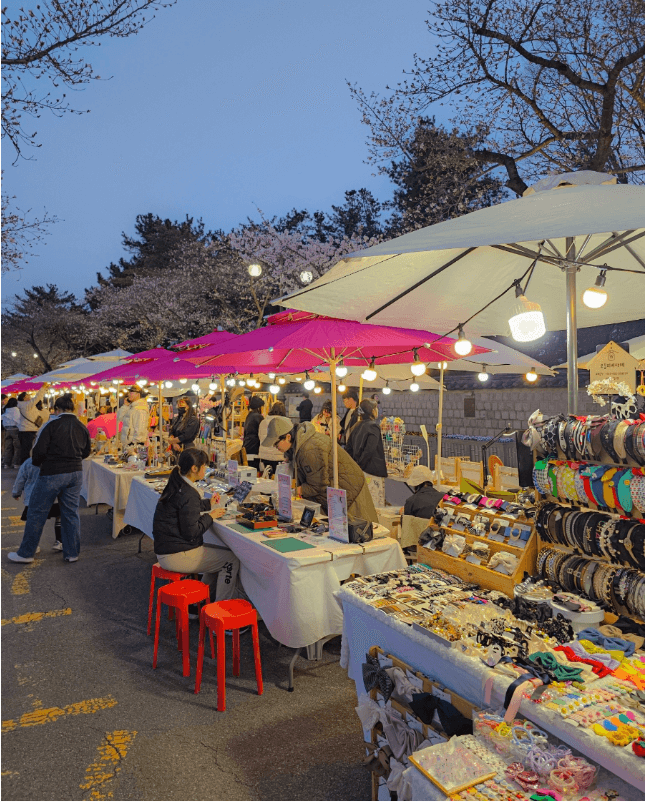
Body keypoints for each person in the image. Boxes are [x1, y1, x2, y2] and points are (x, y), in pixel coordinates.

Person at [8, 393, 91, 564]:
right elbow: (86, 451)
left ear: (56, 409)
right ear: (72, 408)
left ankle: (26, 553)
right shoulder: (81, 426)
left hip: (52, 472)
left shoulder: (50, 425)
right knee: (70, 513)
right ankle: (72, 553)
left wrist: (42, 463)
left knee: (36, 512)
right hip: (75, 473)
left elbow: (37, 453)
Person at [152, 448, 240, 603]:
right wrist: (210, 516)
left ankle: (197, 604)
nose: (206, 469)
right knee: (230, 559)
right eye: (204, 466)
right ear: (194, 468)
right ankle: (222, 608)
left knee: (215, 558)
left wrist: (208, 504)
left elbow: (186, 509)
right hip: (176, 555)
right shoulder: (188, 493)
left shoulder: (177, 484)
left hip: (166, 550)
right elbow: (192, 533)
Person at [261, 416, 378, 523]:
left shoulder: (309, 449)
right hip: (339, 495)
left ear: (288, 437)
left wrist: (295, 491)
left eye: (276, 444)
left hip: (351, 494)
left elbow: (317, 485)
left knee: (361, 535)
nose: (275, 448)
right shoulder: (298, 446)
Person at [13, 456, 62, 550]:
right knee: (59, 516)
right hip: (52, 497)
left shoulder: (28, 462)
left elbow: (20, 478)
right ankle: (60, 541)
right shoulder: (55, 459)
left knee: (33, 521)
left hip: (33, 498)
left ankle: (33, 546)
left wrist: (16, 492)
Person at [346, 398, 387, 508]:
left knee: (363, 506)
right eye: (376, 408)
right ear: (372, 411)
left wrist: (356, 466)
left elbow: (348, 450)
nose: (377, 411)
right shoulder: (373, 426)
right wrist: (361, 465)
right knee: (374, 507)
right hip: (372, 473)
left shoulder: (355, 426)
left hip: (359, 473)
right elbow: (369, 450)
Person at [17, 385, 50, 464]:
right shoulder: (26, 405)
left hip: (25, 429)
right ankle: (26, 465)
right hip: (28, 429)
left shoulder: (24, 405)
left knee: (26, 449)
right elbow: (37, 398)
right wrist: (43, 388)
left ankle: (24, 464)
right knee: (27, 449)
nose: (30, 396)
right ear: (24, 398)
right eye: (28, 395)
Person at [258, 400, 287, 475]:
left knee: (266, 477)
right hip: (278, 457)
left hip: (264, 456)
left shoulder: (263, 422)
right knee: (277, 480)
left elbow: (260, 436)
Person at [242, 396, 264, 471]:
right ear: (259, 407)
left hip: (247, 446)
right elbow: (262, 433)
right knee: (254, 471)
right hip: (254, 447)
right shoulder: (258, 417)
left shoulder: (249, 415)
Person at [2, 398, 22, 469]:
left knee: (8, 447)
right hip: (15, 429)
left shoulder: (6, 410)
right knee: (17, 447)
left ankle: (6, 464)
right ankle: (16, 463)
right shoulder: (16, 410)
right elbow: (18, 420)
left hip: (7, 429)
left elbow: (3, 421)